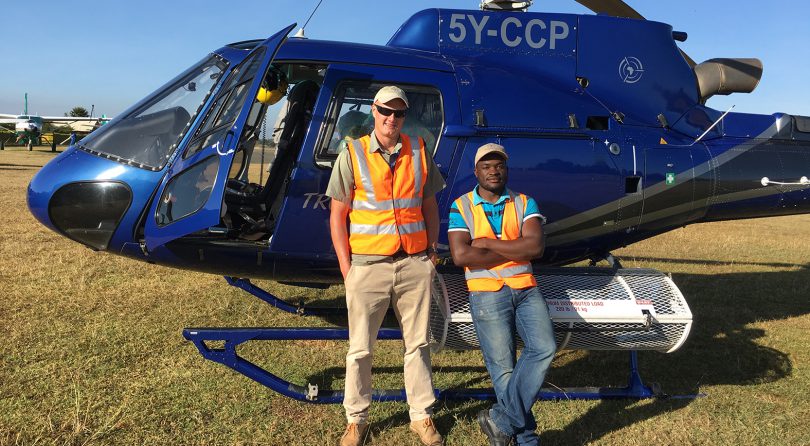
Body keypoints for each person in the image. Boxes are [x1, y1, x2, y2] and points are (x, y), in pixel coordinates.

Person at [326, 85, 446, 446]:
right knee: (360, 348)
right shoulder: (353, 152)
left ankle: (421, 416)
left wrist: (431, 252)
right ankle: (356, 420)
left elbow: (429, 206)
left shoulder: (419, 150)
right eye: (385, 112)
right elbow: (337, 216)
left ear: (404, 117)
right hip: (368, 266)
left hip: (413, 263)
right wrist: (348, 270)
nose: (391, 119)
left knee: (418, 344)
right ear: (373, 112)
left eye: (398, 113)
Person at [447, 143, 556, 446]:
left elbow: (534, 247)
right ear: (476, 171)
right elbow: (460, 256)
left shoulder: (524, 202)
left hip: (525, 289)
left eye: (499, 166)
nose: (493, 171)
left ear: (506, 170)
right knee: (503, 368)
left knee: (544, 348)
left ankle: (501, 421)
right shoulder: (462, 205)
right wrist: (513, 250)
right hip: (486, 293)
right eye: (486, 166)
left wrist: (486, 243)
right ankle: (526, 439)